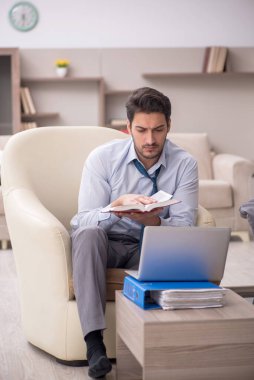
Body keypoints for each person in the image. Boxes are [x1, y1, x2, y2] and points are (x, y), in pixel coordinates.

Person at [70, 87, 199, 378]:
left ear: (169, 126)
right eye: (141, 130)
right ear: (127, 127)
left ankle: (177, 346)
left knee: (190, 253)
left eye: (158, 130)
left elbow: (185, 229)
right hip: (110, 243)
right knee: (87, 234)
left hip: (153, 245)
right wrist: (114, 208)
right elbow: (81, 221)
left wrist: (151, 221)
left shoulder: (185, 164)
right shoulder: (102, 158)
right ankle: (94, 346)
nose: (150, 140)